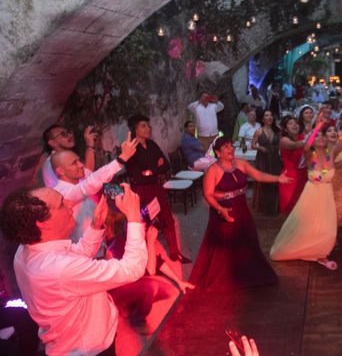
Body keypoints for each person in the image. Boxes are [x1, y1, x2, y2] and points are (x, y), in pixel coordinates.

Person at [0, 185, 147, 356]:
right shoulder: (59, 269)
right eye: (62, 204)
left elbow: (76, 257)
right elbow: (132, 269)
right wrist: (134, 217)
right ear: (43, 223)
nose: (70, 206)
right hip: (90, 350)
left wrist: (96, 224)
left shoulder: (26, 250)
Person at [189, 137, 289, 290]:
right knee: (225, 247)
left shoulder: (241, 163)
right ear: (217, 152)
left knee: (248, 240)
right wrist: (220, 209)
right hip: (224, 212)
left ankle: (246, 274)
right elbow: (208, 195)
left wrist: (278, 178)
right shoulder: (213, 170)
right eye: (226, 147)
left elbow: (259, 176)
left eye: (231, 146)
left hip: (241, 209)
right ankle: (226, 278)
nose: (230, 149)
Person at [270, 118, 342, 269]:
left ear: (326, 141)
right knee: (305, 227)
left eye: (322, 136)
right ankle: (309, 252)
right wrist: (317, 127)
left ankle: (321, 254)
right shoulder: (309, 156)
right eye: (317, 137)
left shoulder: (330, 154)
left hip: (326, 196)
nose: (319, 138)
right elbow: (306, 146)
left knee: (328, 231)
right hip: (311, 195)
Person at [51, 132, 138, 241]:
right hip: (82, 247)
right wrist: (122, 158)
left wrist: (90, 145)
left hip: (98, 241)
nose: (81, 165)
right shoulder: (61, 193)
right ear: (61, 171)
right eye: (74, 163)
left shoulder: (79, 181)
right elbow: (90, 183)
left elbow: (92, 177)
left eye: (79, 161)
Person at [124, 114, 188, 262]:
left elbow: (166, 165)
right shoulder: (131, 149)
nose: (148, 128)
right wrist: (154, 168)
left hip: (155, 186)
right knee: (144, 223)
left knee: (167, 218)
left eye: (148, 125)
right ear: (135, 129)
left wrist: (151, 171)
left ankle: (174, 252)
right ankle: (145, 259)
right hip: (140, 191)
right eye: (143, 126)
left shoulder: (152, 144)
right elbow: (137, 176)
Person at [251, 110, 282, 215]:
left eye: (271, 115)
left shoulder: (277, 130)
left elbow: (282, 143)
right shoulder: (259, 131)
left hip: (275, 158)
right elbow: (253, 145)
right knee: (263, 181)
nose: (269, 117)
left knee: (274, 180)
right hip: (263, 159)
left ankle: (274, 206)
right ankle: (263, 207)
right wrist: (260, 148)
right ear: (263, 119)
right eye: (267, 115)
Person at [279, 115, 308, 214]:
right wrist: (312, 137)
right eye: (290, 123)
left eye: (295, 123)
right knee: (291, 210)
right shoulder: (283, 140)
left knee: (304, 209)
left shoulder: (302, 137)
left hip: (304, 176)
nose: (294, 125)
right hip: (290, 179)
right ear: (286, 129)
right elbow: (295, 145)